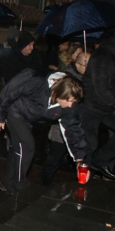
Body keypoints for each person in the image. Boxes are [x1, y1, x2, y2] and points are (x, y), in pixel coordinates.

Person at [0, 69, 86, 193]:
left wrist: (79, 159)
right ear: (60, 93)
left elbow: (73, 129)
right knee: (27, 145)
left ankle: (6, 183)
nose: (70, 105)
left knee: (18, 149)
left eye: (74, 102)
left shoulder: (69, 107)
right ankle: (19, 183)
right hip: (15, 111)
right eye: (69, 100)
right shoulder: (37, 82)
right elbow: (11, 91)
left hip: (29, 120)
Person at [42, 51, 90, 185]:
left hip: (75, 120)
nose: (89, 68)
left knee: (77, 148)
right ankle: (45, 182)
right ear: (78, 63)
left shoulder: (87, 77)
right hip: (62, 123)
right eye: (86, 65)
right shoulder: (68, 77)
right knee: (54, 156)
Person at [79, 30, 115, 179]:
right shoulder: (102, 56)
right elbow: (102, 88)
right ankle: (83, 180)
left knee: (91, 146)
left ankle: (100, 162)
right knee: (89, 146)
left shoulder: (110, 55)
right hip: (91, 107)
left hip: (105, 107)